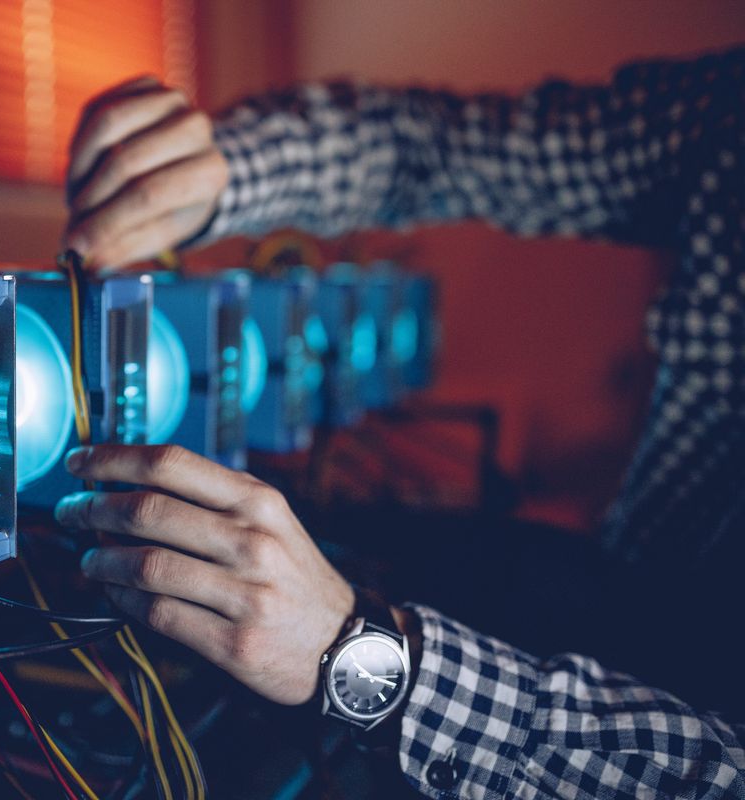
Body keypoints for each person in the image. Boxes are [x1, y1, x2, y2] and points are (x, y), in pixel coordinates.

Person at [56, 47, 745, 797]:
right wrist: (223, 168)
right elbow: (435, 148)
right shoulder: (727, 112)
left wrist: (362, 658)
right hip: (618, 589)